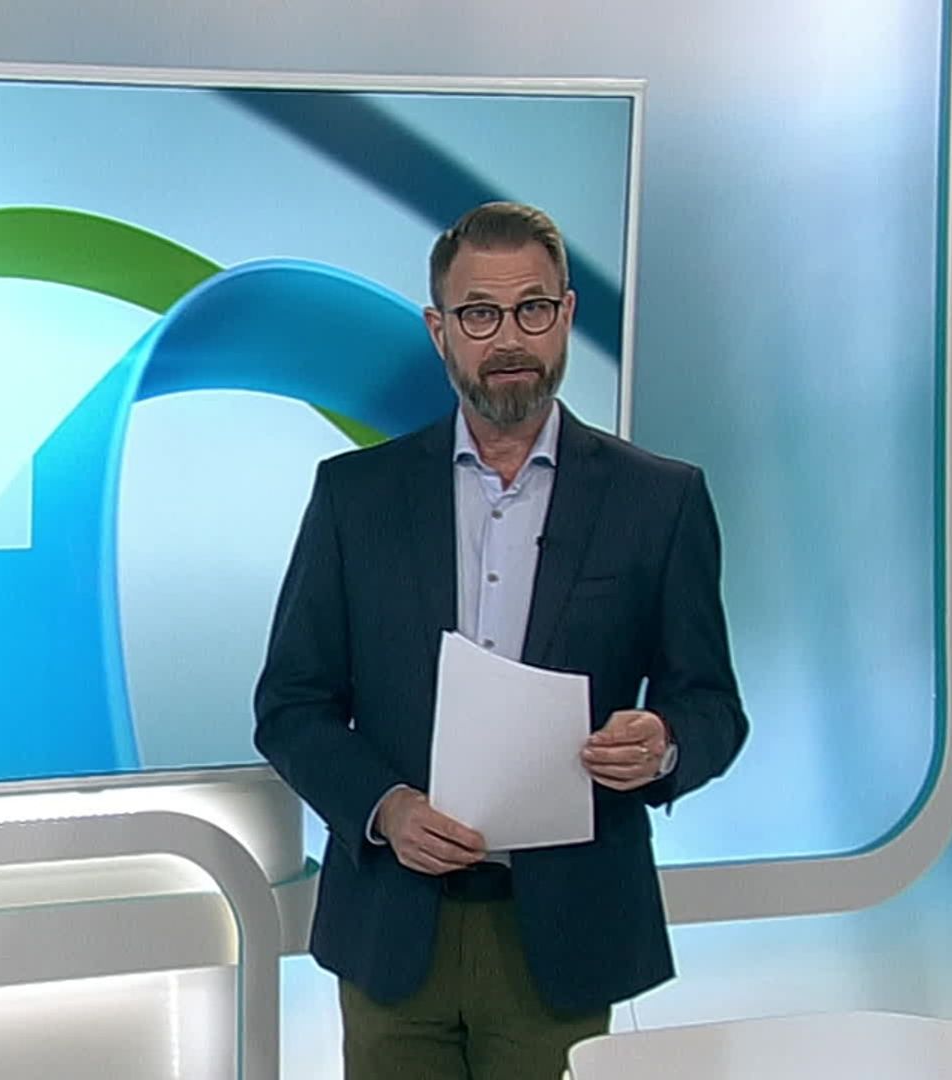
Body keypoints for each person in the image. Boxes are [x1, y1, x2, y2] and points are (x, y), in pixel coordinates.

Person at [254, 201, 749, 1080]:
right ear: (439, 330)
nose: (510, 337)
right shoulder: (354, 498)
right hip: (391, 928)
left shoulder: (658, 501)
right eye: (480, 314)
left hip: (562, 934)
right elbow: (291, 706)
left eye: (532, 308)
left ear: (566, 315)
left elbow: (711, 705)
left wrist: (665, 743)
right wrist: (386, 808)